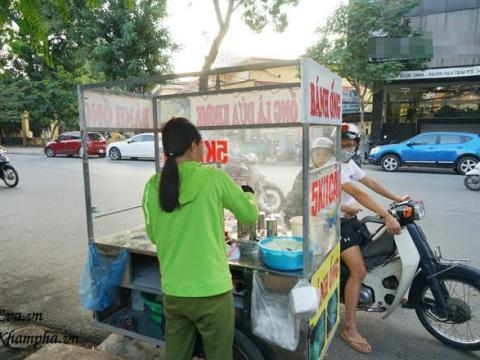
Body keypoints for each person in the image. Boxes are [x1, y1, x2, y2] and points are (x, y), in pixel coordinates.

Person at [142, 117, 259, 360]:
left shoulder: (153, 184)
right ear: (194, 146)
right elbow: (249, 214)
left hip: (174, 291)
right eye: (202, 144)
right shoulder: (213, 177)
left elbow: (153, 235)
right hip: (212, 293)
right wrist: (249, 196)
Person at [339, 123, 409, 353]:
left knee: (374, 257)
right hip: (334, 224)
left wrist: (397, 198)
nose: (347, 148)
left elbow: (370, 183)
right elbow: (358, 193)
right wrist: (386, 215)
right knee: (359, 271)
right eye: (343, 144)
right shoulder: (333, 165)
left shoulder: (348, 163)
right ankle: (349, 327)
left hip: (350, 220)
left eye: (351, 145)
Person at [283, 137, 335, 223]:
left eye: (326, 155)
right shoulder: (306, 173)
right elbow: (298, 196)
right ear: (312, 155)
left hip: (324, 216)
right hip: (303, 216)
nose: (321, 158)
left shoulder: (333, 172)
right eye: (317, 154)